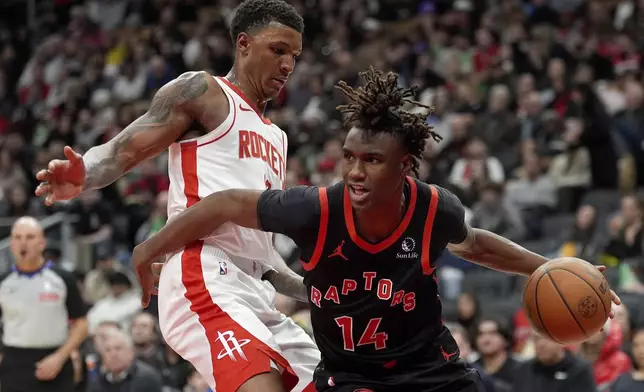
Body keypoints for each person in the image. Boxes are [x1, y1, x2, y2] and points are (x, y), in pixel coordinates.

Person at [132, 67, 621, 391]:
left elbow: (475, 245)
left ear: (405, 166)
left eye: (372, 160)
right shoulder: (316, 210)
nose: (355, 171)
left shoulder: (432, 209)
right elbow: (221, 203)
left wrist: (549, 265)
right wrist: (149, 249)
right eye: (349, 157)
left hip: (430, 371)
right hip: (351, 377)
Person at [34, 1, 320, 391]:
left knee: (332, 381)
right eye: (278, 50)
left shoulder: (277, 137)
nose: (288, 65)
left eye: (295, 56)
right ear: (244, 44)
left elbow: (265, 261)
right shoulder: (204, 91)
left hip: (255, 291)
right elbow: (122, 151)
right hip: (202, 273)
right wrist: (84, 172)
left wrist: (325, 291)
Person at [0, 217, 88, 392]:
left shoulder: (63, 278)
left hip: (56, 359)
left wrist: (60, 357)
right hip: (13, 362)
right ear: (11, 243)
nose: (23, 243)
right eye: (17, 237)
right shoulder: (3, 282)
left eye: (30, 237)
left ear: (42, 243)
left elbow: (82, 324)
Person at [512, 331, 597, 392]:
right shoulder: (524, 369)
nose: (541, 344)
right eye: (536, 339)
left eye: (546, 338)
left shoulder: (579, 370)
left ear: (561, 340)